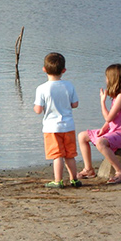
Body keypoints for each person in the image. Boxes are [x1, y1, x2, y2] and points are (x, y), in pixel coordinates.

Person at [77, 64, 121, 184]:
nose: (106, 80)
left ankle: (120, 171)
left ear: (113, 79)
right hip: (113, 131)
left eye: (107, 77)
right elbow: (112, 120)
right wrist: (104, 128)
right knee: (82, 136)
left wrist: (102, 102)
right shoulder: (117, 96)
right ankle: (88, 169)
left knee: (101, 142)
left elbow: (108, 117)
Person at [33, 52, 81, 188]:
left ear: (44, 69)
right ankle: (74, 179)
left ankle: (58, 180)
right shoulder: (69, 85)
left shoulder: (42, 88)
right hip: (69, 126)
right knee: (70, 154)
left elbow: (38, 110)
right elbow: (75, 104)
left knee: (57, 155)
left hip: (51, 127)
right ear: (63, 70)